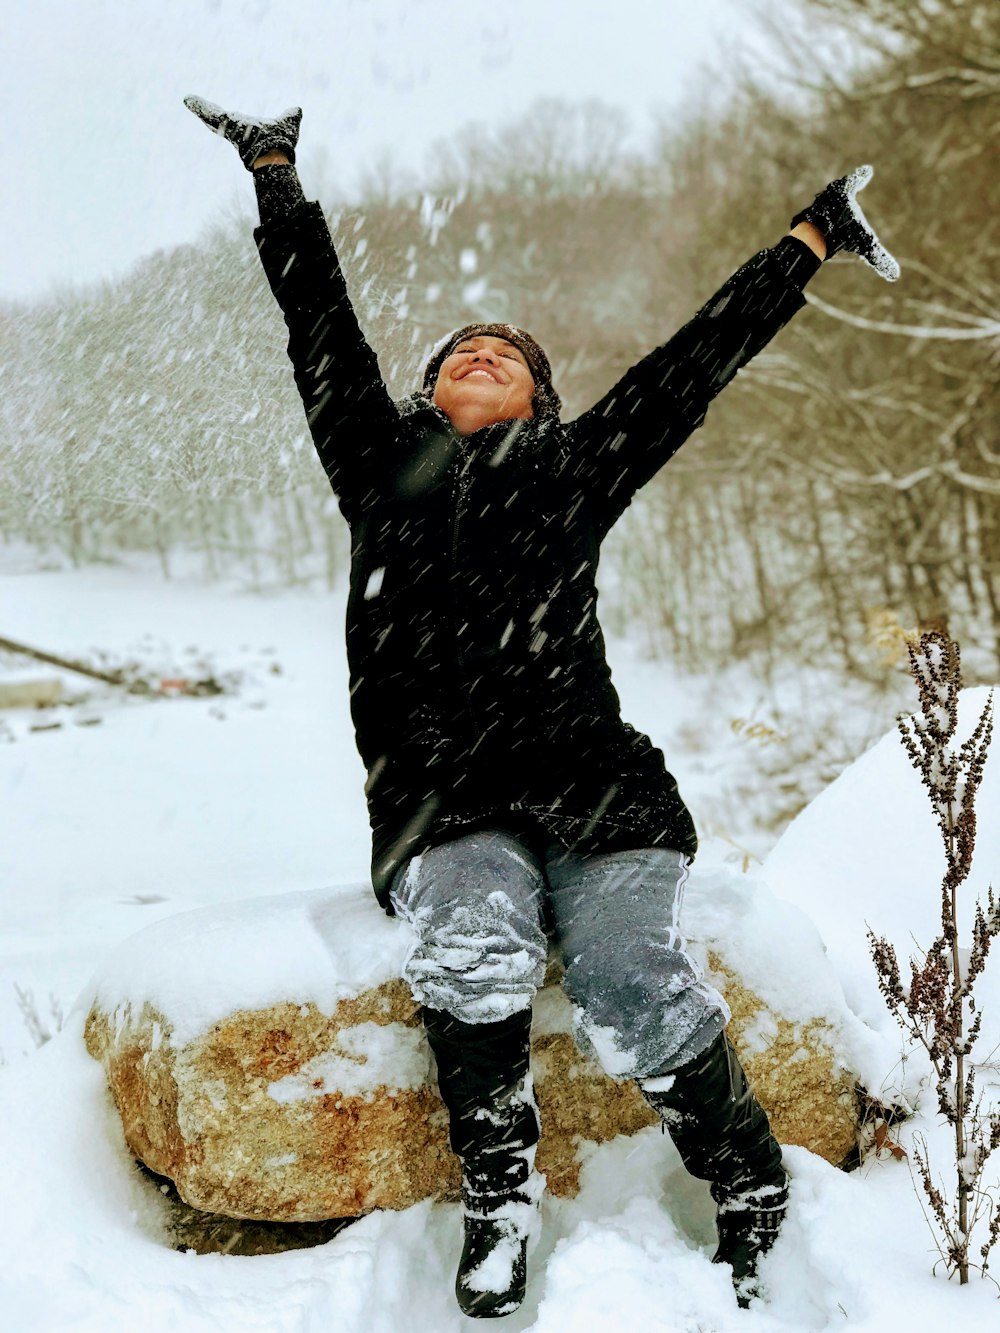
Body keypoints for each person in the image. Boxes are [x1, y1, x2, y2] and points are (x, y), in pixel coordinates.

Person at [184, 95, 898, 1318]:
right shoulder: (378, 464)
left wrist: (807, 242)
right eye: (462, 349)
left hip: (593, 784)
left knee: (626, 966)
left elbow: (692, 363)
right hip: (443, 797)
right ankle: (499, 1198)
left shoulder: (576, 471)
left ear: (538, 399)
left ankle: (749, 1184)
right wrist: (275, 169)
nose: (481, 354)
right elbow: (317, 313)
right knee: (473, 943)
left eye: (507, 353)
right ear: (428, 392)